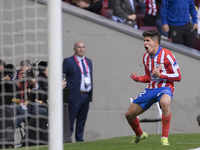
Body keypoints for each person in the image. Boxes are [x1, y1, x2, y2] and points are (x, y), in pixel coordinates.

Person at [125, 30, 181, 146]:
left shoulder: (168, 55)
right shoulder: (145, 57)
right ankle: (140, 135)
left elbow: (178, 76)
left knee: (165, 103)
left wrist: (161, 75)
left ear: (156, 43)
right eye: (144, 40)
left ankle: (164, 138)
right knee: (129, 115)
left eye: (148, 41)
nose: (145, 43)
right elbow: (149, 77)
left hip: (165, 87)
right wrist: (138, 78)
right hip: (151, 89)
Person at [63, 41, 93, 142]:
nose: (81, 49)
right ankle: (67, 139)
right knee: (70, 120)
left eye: (83, 47)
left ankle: (79, 140)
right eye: (79, 47)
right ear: (74, 49)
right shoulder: (68, 61)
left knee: (82, 121)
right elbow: (63, 76)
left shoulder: (88, 61)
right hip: (74, 95)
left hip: (86, 96)